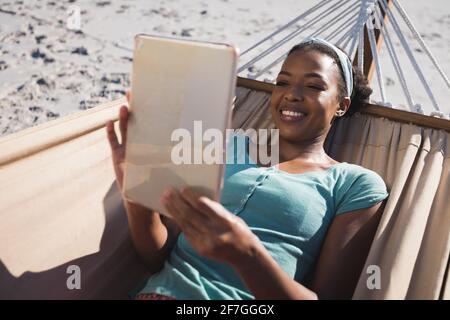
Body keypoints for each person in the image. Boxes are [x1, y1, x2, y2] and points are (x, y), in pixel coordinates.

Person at [105, 37, 389, 300]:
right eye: (282, 82)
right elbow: (158, 257)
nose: (292, 94)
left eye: (314, 86)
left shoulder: (354, 183)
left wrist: (248, 256)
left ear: (341, 105)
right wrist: (136, 198)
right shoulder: (222, 145)